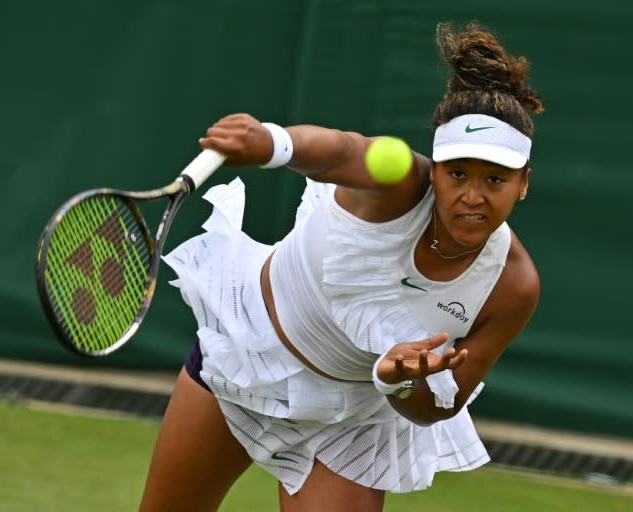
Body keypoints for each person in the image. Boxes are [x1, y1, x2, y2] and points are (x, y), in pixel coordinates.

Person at [139, 21, 544, 512]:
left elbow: (441, 403)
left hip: (352, 419)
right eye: (457, 174)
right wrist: (273, 143)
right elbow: (344, 150)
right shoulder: (396, 184)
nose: (472, 197)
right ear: (434, 170)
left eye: (495, 180)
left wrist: (400, 378)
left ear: (523, 183)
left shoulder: (513, 286)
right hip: (247, 356)